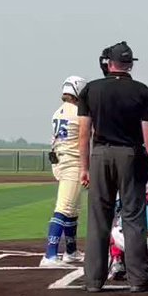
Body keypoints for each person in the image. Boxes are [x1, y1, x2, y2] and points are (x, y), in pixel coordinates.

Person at [78, 41, 148, 293]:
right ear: (129, 64)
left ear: (109, 63)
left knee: (99, 218)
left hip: (100, 154)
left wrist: (84, 166)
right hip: (130, 155)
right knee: (134, 218)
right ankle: (139, 279)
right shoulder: (142, 92)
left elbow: (83, 132)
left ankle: (93, 280)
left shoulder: (90, 90)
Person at [40, 75, 88, 268]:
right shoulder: (79, 112)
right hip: (73, 162)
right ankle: (50, 255)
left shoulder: (57, 112)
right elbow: (86, 140)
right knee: (64, 208)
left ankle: (71, 251)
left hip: (60, 161)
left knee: (73, 209)